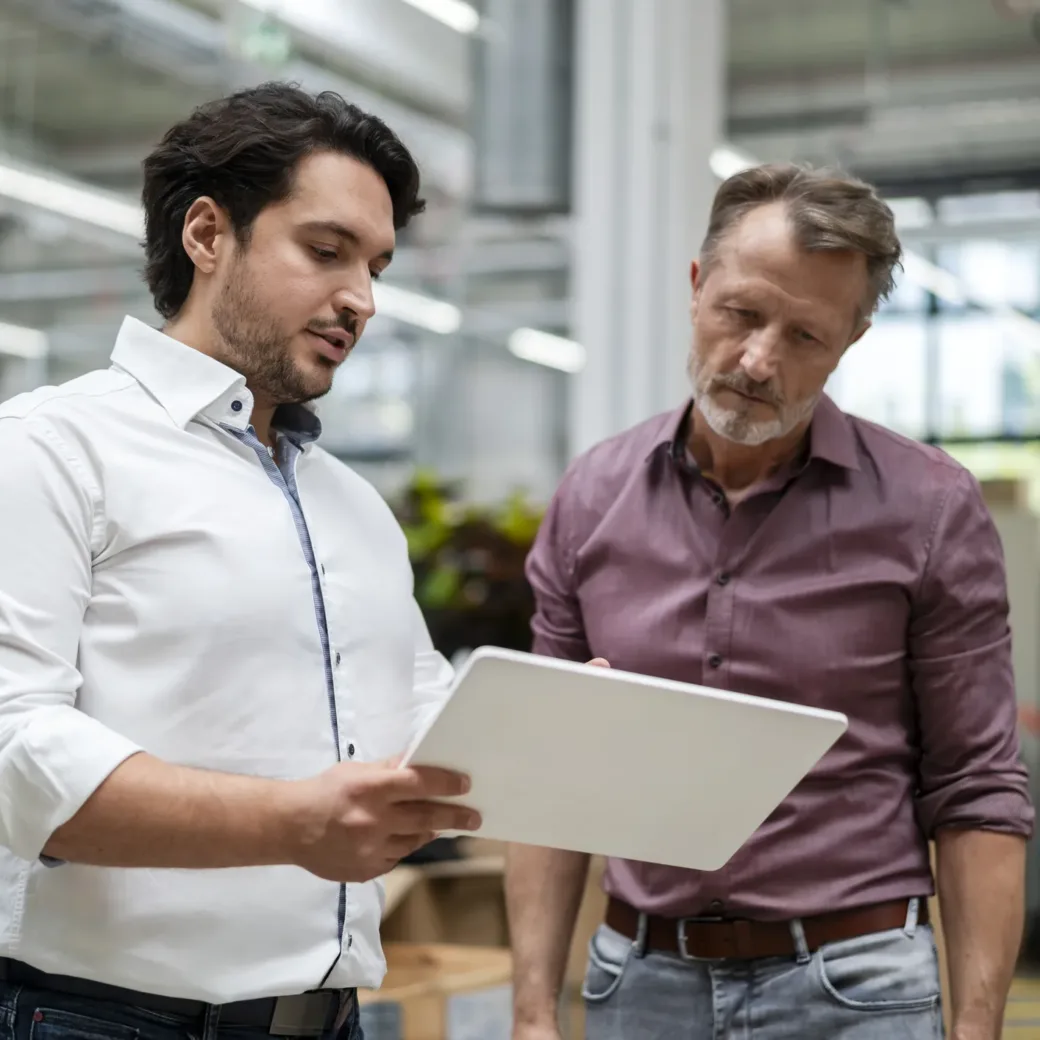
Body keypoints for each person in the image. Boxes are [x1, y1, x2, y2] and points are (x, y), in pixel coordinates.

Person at [506, 163, 1034, 1040]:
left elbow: (976, 788)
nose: (759, 361)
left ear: (852, 341)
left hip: (854, 988)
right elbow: (547, 775)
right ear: (696, 284)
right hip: (639, 985)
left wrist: (975, 1030)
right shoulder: (594, 496)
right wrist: (531, 1013)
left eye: (805, 337)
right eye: (742, 315)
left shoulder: (929, 509)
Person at [0, 82, 482, 1040]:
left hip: (332, 1019)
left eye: (377, 266)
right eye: (326, 250)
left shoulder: (352, 506)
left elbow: (416, 712)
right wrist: (288, 824)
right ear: (209, 235)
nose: (363, 299)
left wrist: (547, 731)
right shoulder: (51, 449)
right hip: (106, 1021)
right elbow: (13, 751)